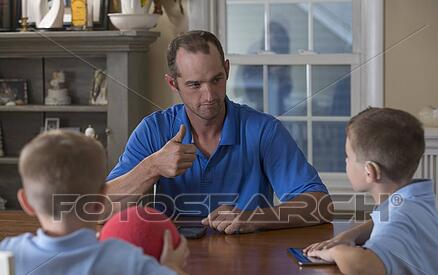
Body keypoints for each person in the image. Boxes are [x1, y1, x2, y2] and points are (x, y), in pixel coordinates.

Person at [106, 30, 333, 235]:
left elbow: (321, 206)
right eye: (195, 85)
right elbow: (100, 208)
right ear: (173, 84)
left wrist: (253, 218)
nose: (209, 95)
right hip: (173, 261)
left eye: (216, 80)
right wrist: (152, 167)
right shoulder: (154, 130)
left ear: (226, 69)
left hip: (249, 264)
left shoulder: (263, 130)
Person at [0, 130, 212, 275]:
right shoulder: (127, 261)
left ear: (26, 202)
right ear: (102, 199)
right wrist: (171, 270)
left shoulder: (6, 254)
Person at [304, 107, 438, 275]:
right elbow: (381, 219)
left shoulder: (401, 218)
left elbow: (364, 267)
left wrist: (335, 252)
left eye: (348, 157)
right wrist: (350, 236)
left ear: (369, 171)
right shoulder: (414, 200)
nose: (345, 162)